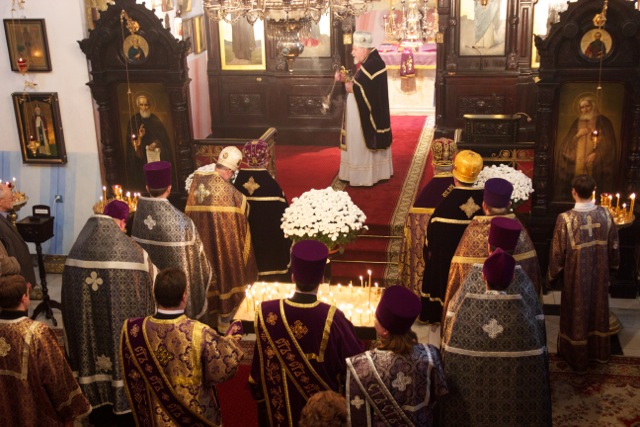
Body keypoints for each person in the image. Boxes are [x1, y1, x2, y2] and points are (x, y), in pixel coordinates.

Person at [249, 239, 364, 427]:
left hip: (279, 416)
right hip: (322, 418)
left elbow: (256, 377)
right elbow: (356, 364)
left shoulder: (267, 312)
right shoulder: (333, 318)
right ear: (322, 279)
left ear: (293, 277)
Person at [62, 199, 157, 414]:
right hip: (117, 325)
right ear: (122, 222)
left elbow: (67, 296)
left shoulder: (77, 248)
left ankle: (92, 396)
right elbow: (151, 284)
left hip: (87, 325)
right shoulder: (133, 252)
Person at [120, 267, 244, 426]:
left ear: (154, 295)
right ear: (184, 296)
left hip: (155, 419)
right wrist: (233, 340)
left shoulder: (135, 330)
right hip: (194, 416)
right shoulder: (200, 332)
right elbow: (223, 368)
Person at [443, 249, 552, 426]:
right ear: (513, 278)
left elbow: (449, 357)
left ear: (483, 277)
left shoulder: (465, 312)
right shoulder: (524, 316)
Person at [346, 286, 448, 426]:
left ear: (385, 331)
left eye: (376, 318)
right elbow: (440, 408)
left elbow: (359, 419)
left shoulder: (361, 366)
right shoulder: (431, 356)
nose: (374, 321)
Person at [548, 174, 620, 373]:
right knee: (597, 309)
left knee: (576, 313)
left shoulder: (565, 219)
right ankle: (598, 354)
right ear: (594, 190)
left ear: (573, 192)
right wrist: (613, 266)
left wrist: (552, 275)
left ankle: (576, 356)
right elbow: (614, 245)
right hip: (599, 276)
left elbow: (557, 253)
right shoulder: (606, 215)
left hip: (576, 279)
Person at [444, 177, 542, 322]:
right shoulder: (521, 234)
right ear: (509, 204)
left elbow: (455, 277)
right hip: (516, 315)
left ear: (484, 205)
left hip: (473, 316)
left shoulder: (472, 233)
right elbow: (533, 277)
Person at [0, 274, 92, 426]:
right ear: (24, 298)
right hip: (35, 417)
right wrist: (71, 408)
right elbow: (56, 377)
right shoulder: (37, 333)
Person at [442, 216, 546, 347]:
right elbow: (538, 328)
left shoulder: (469, 284)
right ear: (513, 277)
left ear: (483, 276)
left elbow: (451, 323)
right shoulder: (526, 286)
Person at [185, 146, 258, 330]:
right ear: (229, 171)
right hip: (222, 252)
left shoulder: (197, 182)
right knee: (224, 276)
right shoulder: (232, 194)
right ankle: (225, 325)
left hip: (200, 251)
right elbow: (245, 211)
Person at [132, 160, 212, 321]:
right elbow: (198, 264)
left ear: (147, 188)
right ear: (169, 189)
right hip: (177, 297)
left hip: (149, 297)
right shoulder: (182, 222)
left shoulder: (137, 218)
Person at [419, 150, 484, 324]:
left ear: (455, 176)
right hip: (478, 278)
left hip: (446, 276)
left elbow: (429, 246)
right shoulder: (486, 206)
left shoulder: (442, 210)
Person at [335, 30, 393, 187]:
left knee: (359, 141)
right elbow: (362, 84)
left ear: (364, 49)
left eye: (355, 49)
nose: (352, 52)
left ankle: (363, 176)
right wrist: (346, 80)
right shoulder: (371, 61)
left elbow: (364, 89)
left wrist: (351, 87)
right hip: (360, 113)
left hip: (364, 117)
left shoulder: (372, 65)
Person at [399, 137, 456, 294]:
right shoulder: (461, 193)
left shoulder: (422, 201)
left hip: (431, 270)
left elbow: (413, 241)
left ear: (432, 164)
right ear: (453, 164)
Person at [233, 139, 292, 281]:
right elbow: (284, 219)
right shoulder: (272, 186)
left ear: (245, 158)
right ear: (266, 159)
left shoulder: (236, 185)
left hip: (245, 248)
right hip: (270, 250)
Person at [556, 94, 617, 198]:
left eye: (587, 106)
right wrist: (578, 135)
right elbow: (566, 145)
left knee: (595, 186)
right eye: (582, 107)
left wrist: (597, 154)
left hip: (596, 164)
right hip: (577, 164)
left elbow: (609, 144)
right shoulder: (577, 122)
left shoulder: (603, 122)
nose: (585, 109)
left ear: (593, 106)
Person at [125, 94, 172, 191]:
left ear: (150, 105)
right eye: (141, 105)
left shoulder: (155, 119)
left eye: (146, 105)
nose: (144, 107)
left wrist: (155, 143)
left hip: (156, 156)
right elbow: (131, 145)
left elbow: (164, 139)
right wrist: (140, 137)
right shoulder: (134, 120)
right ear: (138, 106)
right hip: (141, 159)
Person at [0, 183, 37, 286]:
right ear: (0, 202)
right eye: (10, 197)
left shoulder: (4, 218)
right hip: (14, 280)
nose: (13, 199)